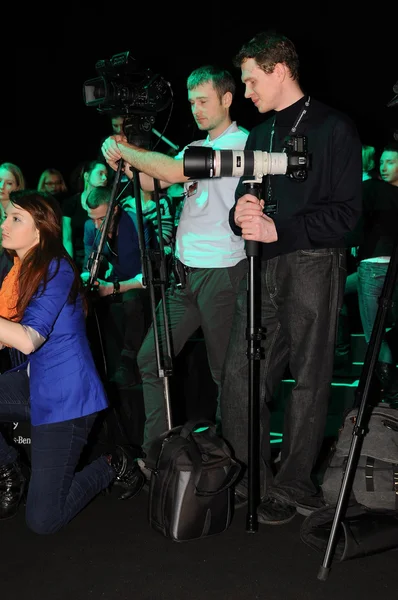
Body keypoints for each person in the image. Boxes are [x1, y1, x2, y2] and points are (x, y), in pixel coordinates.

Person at [219, 31, 362, 524]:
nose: (247, 92)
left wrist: (284, 226)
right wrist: (239, 212)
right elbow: (243, 199)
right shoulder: (260, 136)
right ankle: (249, 476)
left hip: (313, 263)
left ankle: (294, 484)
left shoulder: (333, 128)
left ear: (279, 69)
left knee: (309, 378)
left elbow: (348, 215)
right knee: (241, 373)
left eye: (251, 80)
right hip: (261, 265)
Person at [101, 65, 249, 462]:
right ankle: (159, 454)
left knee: (227, 376)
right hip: (186, 278)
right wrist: (119, 157)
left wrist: (127, 150)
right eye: (191, 103)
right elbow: (153, 181)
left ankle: (231, 462)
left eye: (203, 101)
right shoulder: (196, 148)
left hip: (222, 274)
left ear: (227, 98)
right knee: (151, 358)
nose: (196, 109)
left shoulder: (240, 145)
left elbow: (168, 170)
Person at [0, 190, 144, 533]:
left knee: (43, 521)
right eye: (6, 215)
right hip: (35, 384)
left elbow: (28, 338)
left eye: (15, 218)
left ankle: (115, 462)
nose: (4, 223)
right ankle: (8, 469)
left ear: (39, 232)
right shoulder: (17, 271)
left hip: (67, 399)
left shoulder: (56, 269)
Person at [81, 186, 150, 387]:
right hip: (116, 282)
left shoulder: (138, 224)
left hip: (139, 287)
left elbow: (147, 277)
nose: (96, 225)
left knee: (132, 301)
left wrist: (112, 287)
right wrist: (87, 278)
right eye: (93, 218)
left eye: (101, 219)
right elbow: (91, 263)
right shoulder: (91, 227)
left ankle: (128, 364)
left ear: (116, 209)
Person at [355, 142, 398, 399]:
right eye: (381, 162)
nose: (383, 166)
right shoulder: (378, 191)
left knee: (374, 334)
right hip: (383, 269)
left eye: (390, 162)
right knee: (337, 288)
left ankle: (391, 390)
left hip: (374, 267)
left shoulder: (373, 189)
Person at [62, 160, 108, 272]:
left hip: (102, 257)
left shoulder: (108, 203)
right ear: (86, 176)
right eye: (100, 173)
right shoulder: (71, 203)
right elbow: (67, 239)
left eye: (106, 175)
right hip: (76, 256)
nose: (104, 178)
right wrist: (70, 266)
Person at [0, 163, 26, 285]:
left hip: (16, 266)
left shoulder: (25, 212)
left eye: (9, 183)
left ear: (17, 186)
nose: (1, 186)